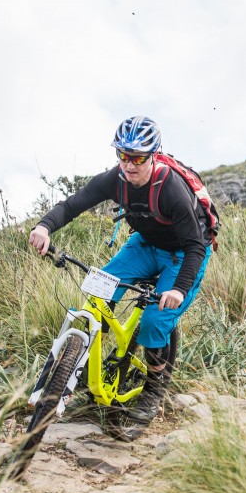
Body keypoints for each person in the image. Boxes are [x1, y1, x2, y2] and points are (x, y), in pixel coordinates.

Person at [29, 116, 213, 441]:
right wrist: (44, 227)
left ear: (153, 155)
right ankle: (81, 362)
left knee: (156, 321)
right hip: (144, 245)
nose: (129, 164)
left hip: (183, 254)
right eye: (123, 155)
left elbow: (196, 246)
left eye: (138, 157)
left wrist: (179, 290)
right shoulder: (116, 179)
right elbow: (73, 204)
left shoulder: (170, 189)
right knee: (98, 291)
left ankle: (154, 390)